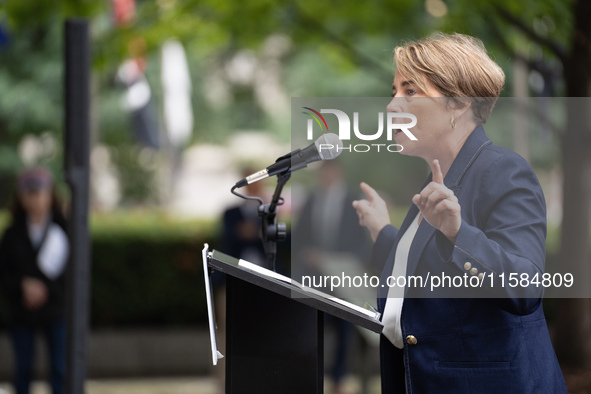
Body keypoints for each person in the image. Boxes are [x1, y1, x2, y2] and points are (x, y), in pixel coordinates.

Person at [352, 33, 567, 393]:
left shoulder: (504, 171)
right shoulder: (439, 179)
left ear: (458, 103)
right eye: (394, 91)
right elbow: (427, 267)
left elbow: (526, 288)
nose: (392, 106)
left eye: (410, 91)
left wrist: (458, 233)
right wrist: (384, 232)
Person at [293, 160, 370, 394]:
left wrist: (340, 261)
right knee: (314, 331)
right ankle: (313, 379)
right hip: (316, 279)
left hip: (345, 279)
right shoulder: (311, 200)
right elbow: (300, 237)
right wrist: (308, 255)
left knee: (345, 333)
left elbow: (363, 243)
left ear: (338, 171)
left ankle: (339, 380)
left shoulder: (353, 201)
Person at [0, 167, 69, 394]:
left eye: (40, 193)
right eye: (30, 194)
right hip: (22, 310)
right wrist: (23, 286)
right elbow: (4, 270)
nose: (36, 199)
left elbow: (72, 271)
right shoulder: (12, 233)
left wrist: (45, 289)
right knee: (23, 369)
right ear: (21, 198)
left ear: (50, 195)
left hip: (56, 310)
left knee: (59, 369)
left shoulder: (64, 229)